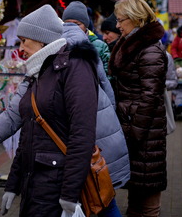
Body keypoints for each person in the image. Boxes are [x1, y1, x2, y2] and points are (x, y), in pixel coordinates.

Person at [0, 4, 99, 216]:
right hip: (34, 184)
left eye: (24, 41)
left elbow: (82, 134)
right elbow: (28, 133)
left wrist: (69, 194)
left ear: (41, 39)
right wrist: (12, 184)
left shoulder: (74, 67)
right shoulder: (38, 71)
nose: (21, 47)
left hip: (56, 186)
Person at [62, 22, 130, 217]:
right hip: (103, 135)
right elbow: (107, 88)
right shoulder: (88, 51)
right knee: (103, 195)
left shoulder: (63, 56)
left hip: (86, 140)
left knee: (96, 197)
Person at [108, 0, 168, 217]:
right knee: (136, 193)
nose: (117, 25)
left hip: (143, 133)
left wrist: (135, 132)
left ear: (136, 19)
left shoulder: (149, 50)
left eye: (121, 20)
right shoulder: (134, 44)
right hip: (135, 130)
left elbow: (151, 97)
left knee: (149, 195)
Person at [63, 1, 111, 78]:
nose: (72, 27)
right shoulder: (57, 44)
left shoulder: (100, 46)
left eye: (77, 24)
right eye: (68, 23)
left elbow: (108, 74)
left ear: (86, 25)